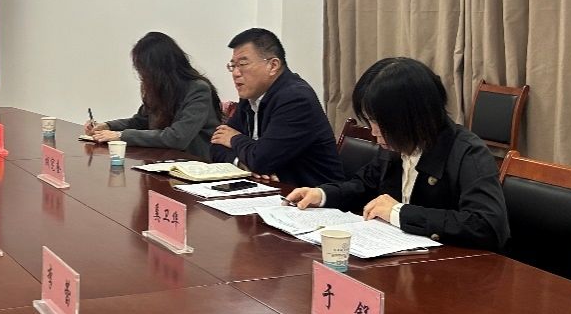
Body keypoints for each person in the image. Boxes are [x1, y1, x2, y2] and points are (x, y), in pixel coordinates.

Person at [286, 57, 509, 250]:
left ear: (410, 117)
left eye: (378, 122)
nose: (373, 132)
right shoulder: (397, 145)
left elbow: (487, 226)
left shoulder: (467, 152)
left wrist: (400, 213)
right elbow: (363, 185)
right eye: (370, 121)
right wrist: (322, 195)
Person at [209, 28, 344, 186]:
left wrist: (234, 139)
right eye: (233, 66)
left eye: (243, 64)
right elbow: (216, 146)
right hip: (266, 189)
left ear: (273, 66)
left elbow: (261, 160)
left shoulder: (296, 99)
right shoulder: (250, 96)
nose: (235, 73)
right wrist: (242, 164)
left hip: (311, 195)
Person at [84, 32, 222, 159]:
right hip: (163, 159)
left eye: (144, 69)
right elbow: (140, 122)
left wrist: (120, 136)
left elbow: (177, 137)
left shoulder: (198, 89)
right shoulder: (158, 88)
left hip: (195, 164)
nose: (142, 75)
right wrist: (107, 126)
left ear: (159, 68)